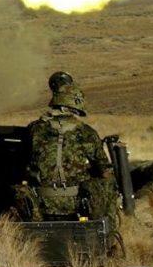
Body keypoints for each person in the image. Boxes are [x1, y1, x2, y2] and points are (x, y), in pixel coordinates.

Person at [15, 72, 118, 228]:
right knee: (109, 182)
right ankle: (109, 231)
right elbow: (104, 171)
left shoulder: (34, 129)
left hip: (39, 204)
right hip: (76, 204)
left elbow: (23, 163)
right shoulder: (86, 132)